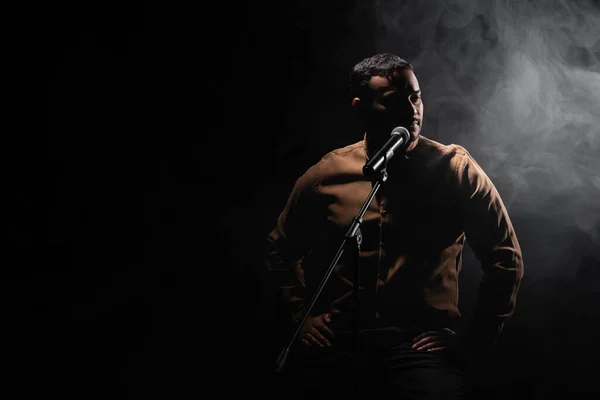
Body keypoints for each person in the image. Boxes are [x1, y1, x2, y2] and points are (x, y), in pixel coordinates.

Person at [264, 53, 524, 399]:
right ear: (361, 107)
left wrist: (473, 339)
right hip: (339, 343)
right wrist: (299, 315)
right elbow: (280, 249)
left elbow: (505, 260)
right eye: (395, 100)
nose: (412, 108)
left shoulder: (456, 170)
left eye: (415, 96)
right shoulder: (327, 173)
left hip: (418, 351)